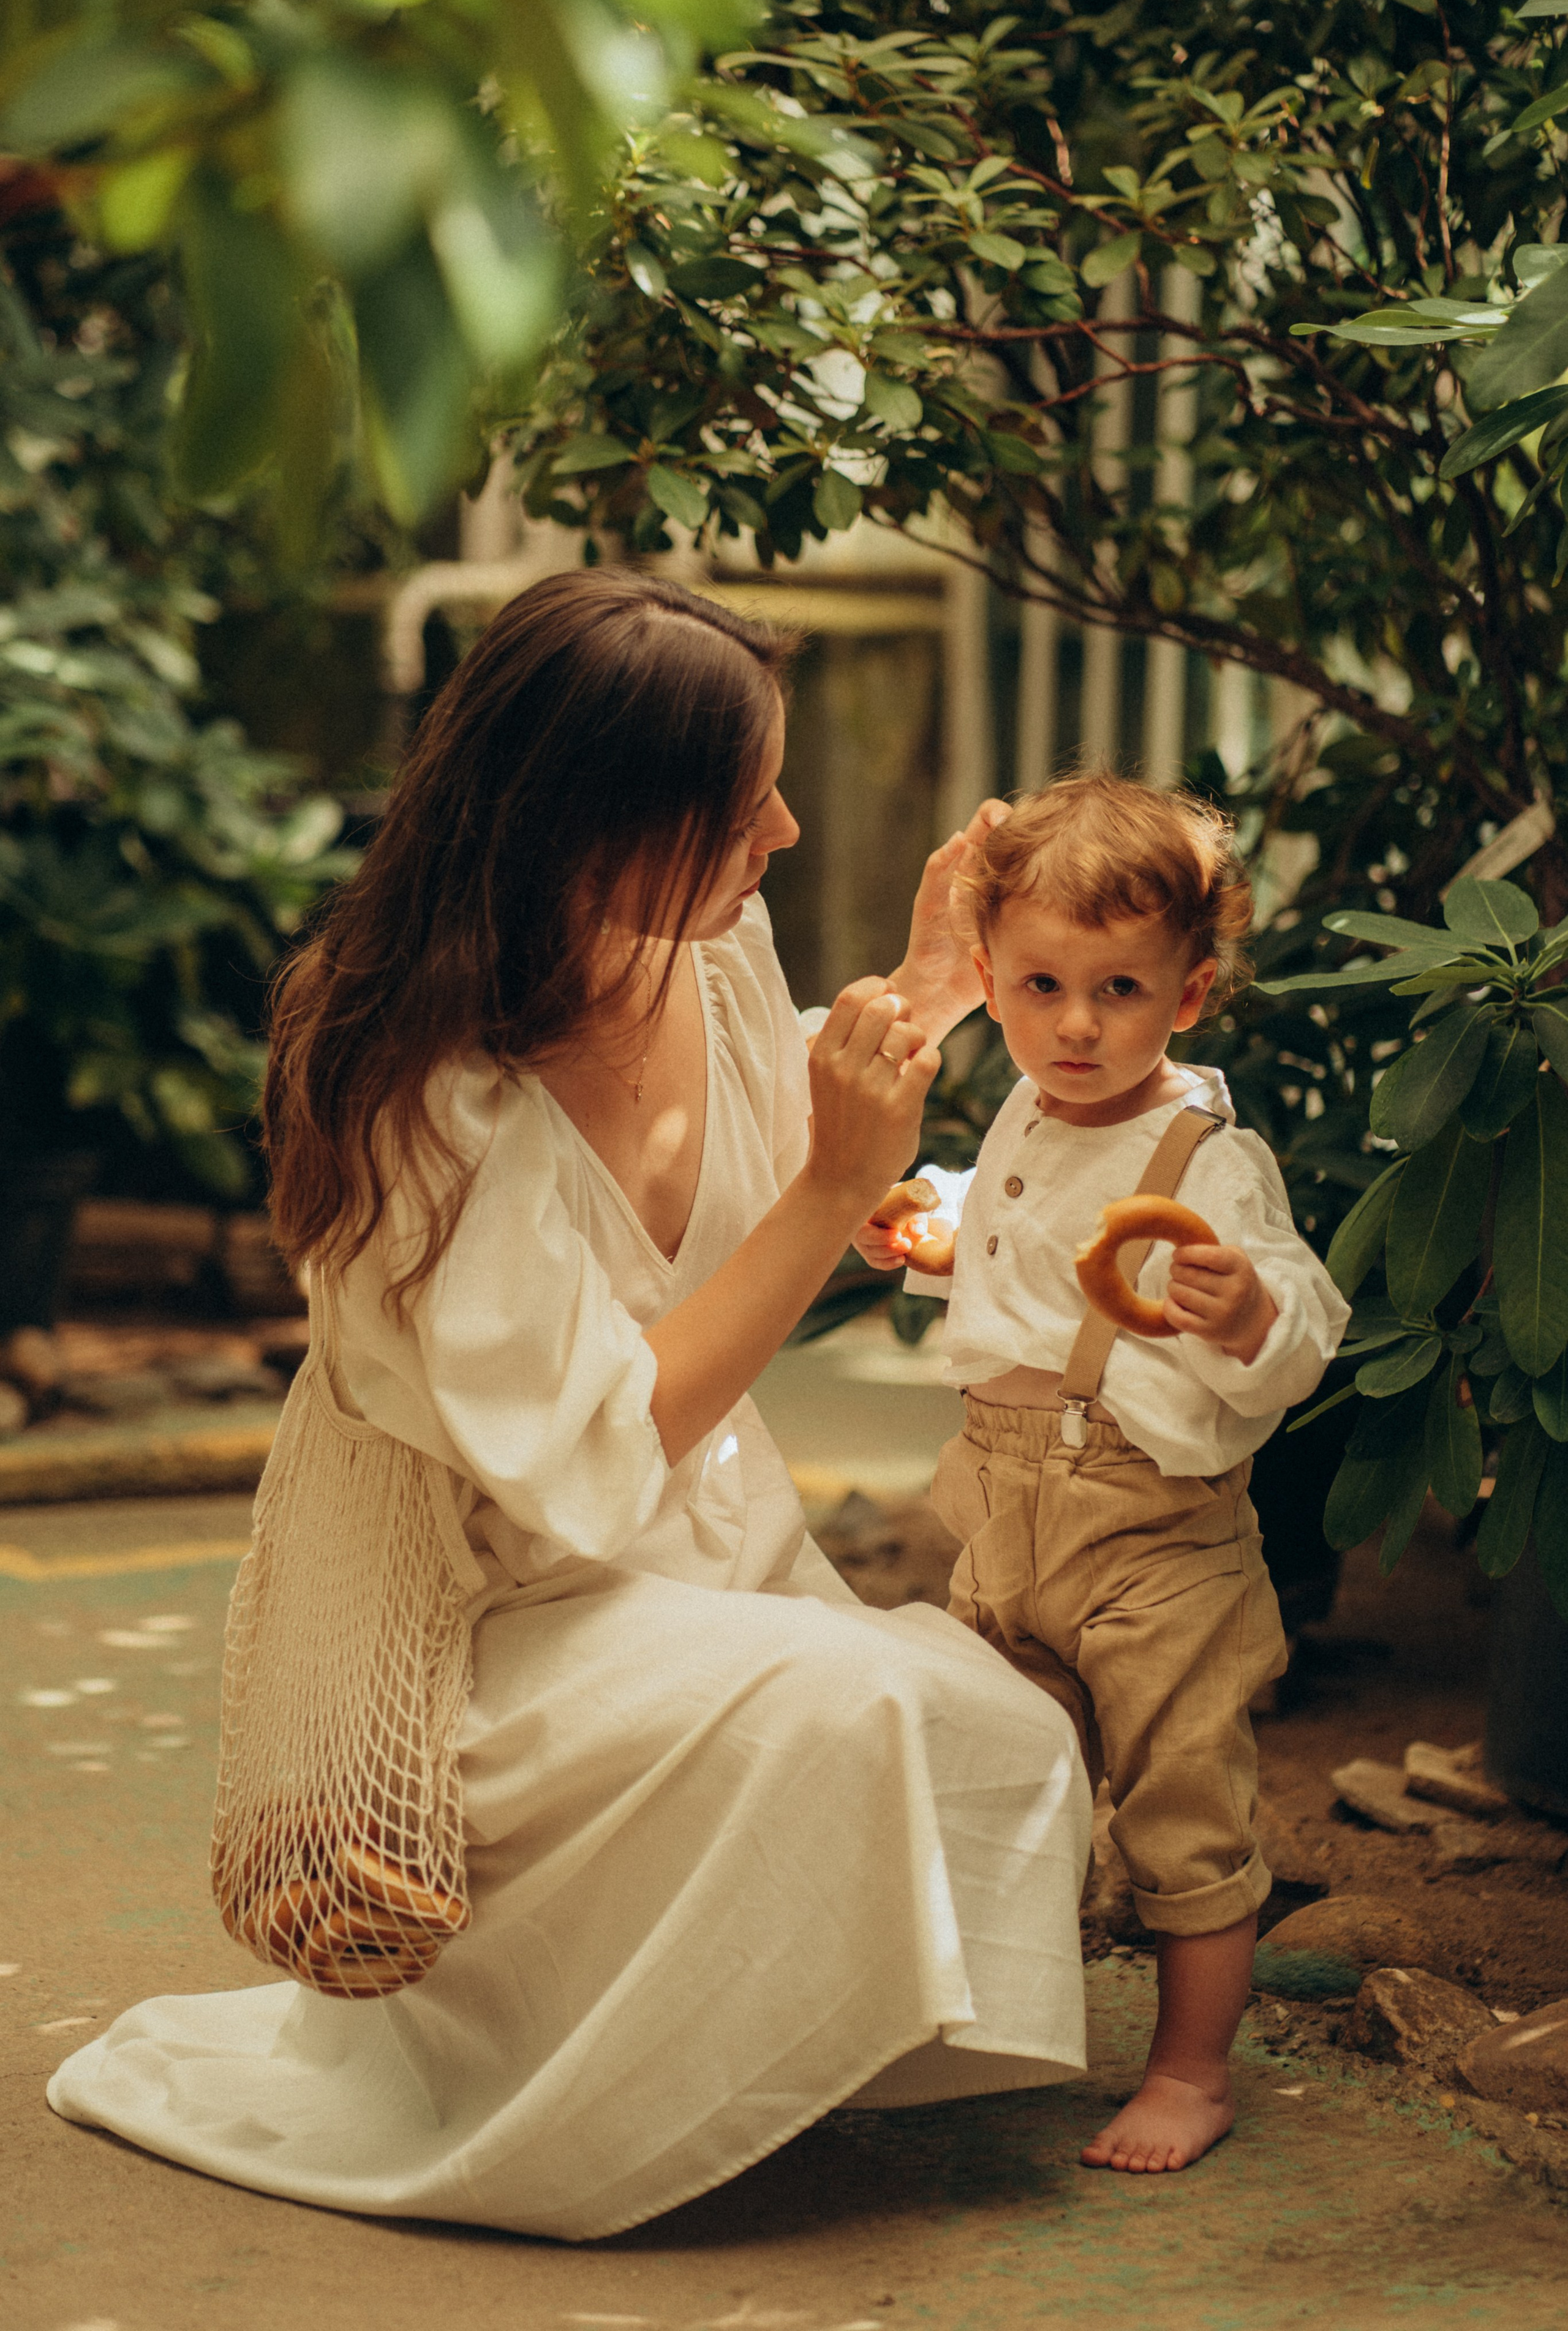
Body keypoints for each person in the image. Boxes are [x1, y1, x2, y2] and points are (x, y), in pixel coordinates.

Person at [47, 570, 1092, 2242]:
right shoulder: (416, 1093)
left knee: (1006, 1737)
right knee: (846, 1715)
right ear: (601, 829)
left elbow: (787, 1118)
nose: (789, 825)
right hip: (496, 1624)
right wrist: (836, 1195)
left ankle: (759, 2049)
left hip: (710, 1563)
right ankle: (563, 2104)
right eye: (741, 797)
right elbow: (602, 1452)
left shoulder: (711, 948)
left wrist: (932, 982)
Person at [859, 775, 1349, 2177]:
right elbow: (1019, 1227)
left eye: (1118, 989)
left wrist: (1241, 1311)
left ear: (1187, 996)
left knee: (1179, 1796)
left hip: (1150, 1542)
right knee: (994, 1761)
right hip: (1000, 1517)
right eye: (1039, 985)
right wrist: (937, 1227)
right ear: (996, 982)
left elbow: (1307, 1328)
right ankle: (992, 2016)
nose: (1075, 1025)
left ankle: (1192, 2072)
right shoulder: (1027, 1108)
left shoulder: (1202, 1159)